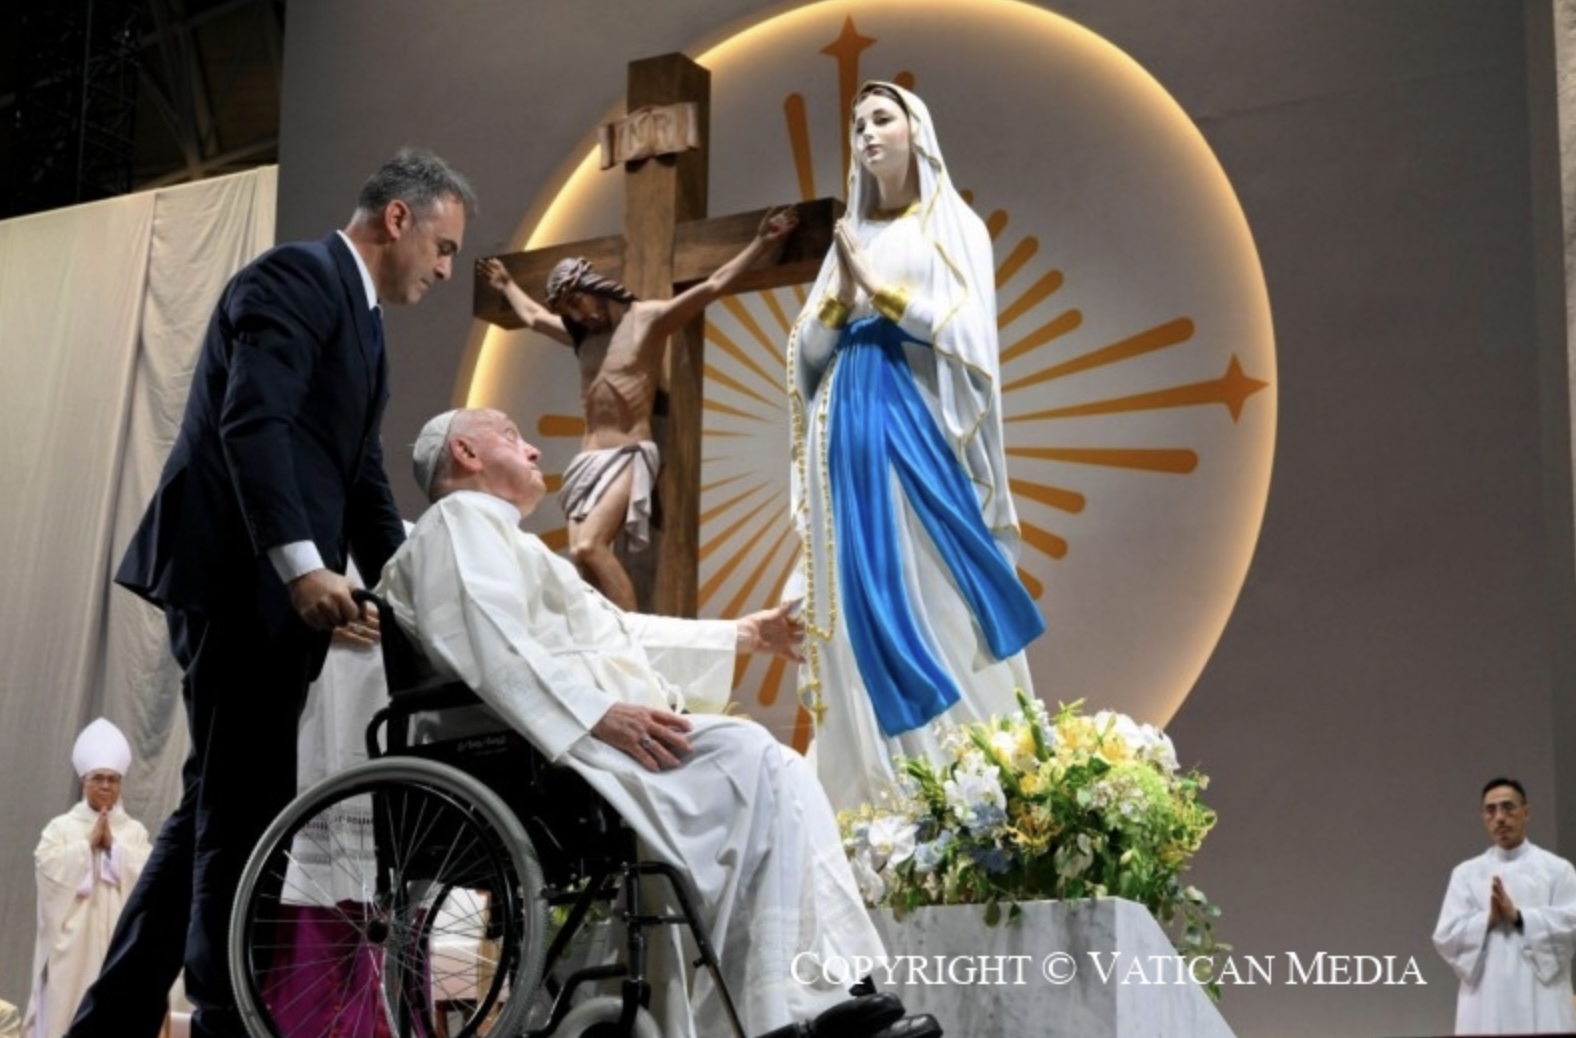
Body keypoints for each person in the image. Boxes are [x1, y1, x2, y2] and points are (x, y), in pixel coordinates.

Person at [71, 148, 476, 1038]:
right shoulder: (295, 275)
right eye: (443, 249)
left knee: (218, 798)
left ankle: (111, 1019)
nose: (446, 272)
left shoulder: (364, 326)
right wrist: (302, 568)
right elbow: (252, 422)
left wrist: (412, 589)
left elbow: (360, 475)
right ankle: (225, 1017)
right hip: (234, 576)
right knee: (246, 804)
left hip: (269, 585)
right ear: (398, 220)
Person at [377, 406, 940, 1038]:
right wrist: (595, 714)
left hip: (576, 738)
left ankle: (814, 995)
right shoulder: (457, 525)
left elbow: (615, 633)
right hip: (535, 752)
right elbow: (489, 642)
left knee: (774, 763)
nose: (534, 451)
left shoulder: (507, 540)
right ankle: (787, 1006)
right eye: (512, 436)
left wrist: (742, 635)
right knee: (750, 753)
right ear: (466, 453)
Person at [784, 82, 1045, 812]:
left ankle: (969, 782)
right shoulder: (852, 235)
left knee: (935, 590)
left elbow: (968, 337)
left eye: (882, 119)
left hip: (918, 434)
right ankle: (874, 795)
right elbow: (805, 355)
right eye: (858, 124)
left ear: (916, 133)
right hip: (848, 442)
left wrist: (877, 290)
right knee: (856, 599)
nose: (867, 133)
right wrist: (838, 298)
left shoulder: (953, 227)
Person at [477, 204, 799, 611]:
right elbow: (534, 317)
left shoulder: (646, 321)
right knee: (579, 559)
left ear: (596, 287)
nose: (578, 314)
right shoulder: (582, 338)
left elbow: (714, 284)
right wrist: (506, 285)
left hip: (628, 452)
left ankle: (633, 633)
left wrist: (760, 243)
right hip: (588, 458)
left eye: (578, 302)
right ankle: (600, 637)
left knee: (592, 546)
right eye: (569, 310)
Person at [24, 720, 152, 1038]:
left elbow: (150, 877)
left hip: (118, 943)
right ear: (84, 782)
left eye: (113, 779)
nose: (106, 786)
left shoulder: (133, 832)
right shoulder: (61, 827)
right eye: (98, 778)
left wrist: (115, 850)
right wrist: (85, 848)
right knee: (67, 1011)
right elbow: (47, 868)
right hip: (72, 944)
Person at [1432, 777, 1576, 1034]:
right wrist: (1487, 921)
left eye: (1508, 807)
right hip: (1486, 999)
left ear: (1526, 812)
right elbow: (1445, 936)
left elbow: (1572, 923)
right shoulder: (1466, 874)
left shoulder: (1557, 870)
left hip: (1542, 996)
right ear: (1483, 817)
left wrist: (1520, 917)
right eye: (1490, 810)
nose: (1499, 817)